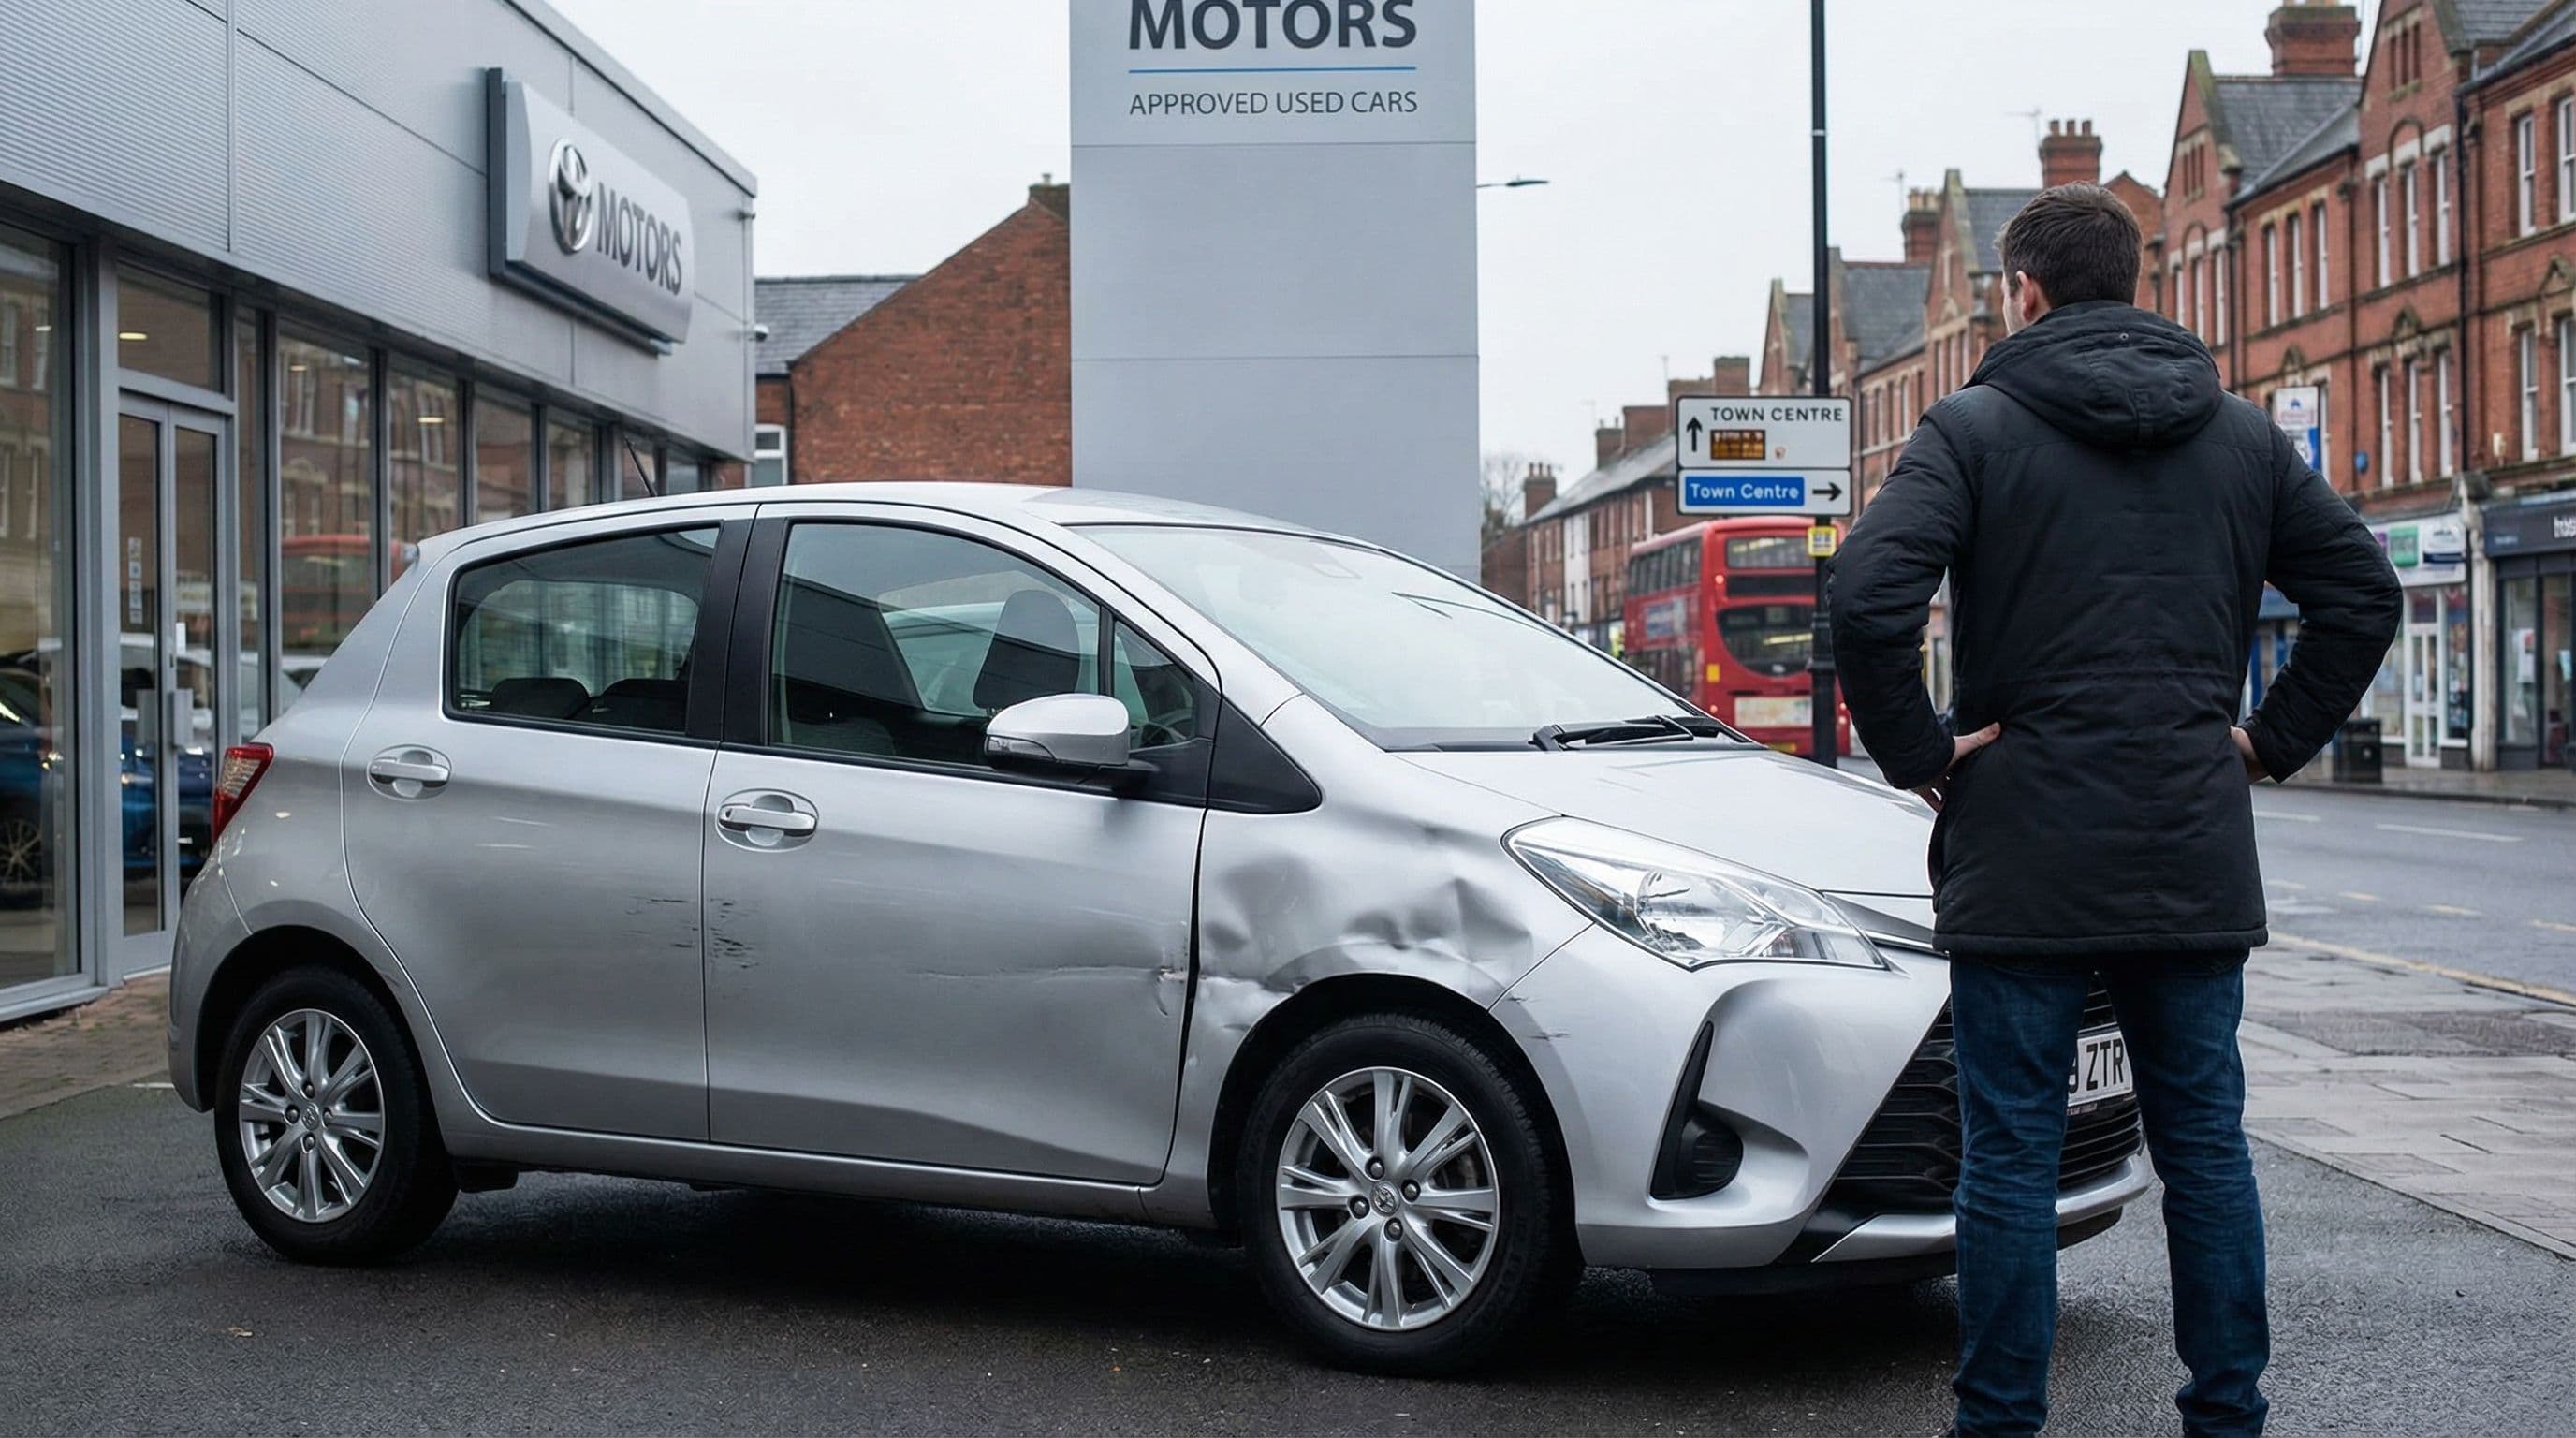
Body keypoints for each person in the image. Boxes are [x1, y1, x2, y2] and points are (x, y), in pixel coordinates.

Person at [1829, 183, 2401, 1438]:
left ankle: (2000, 1425)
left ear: (2023, 292)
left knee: (2011, 1161)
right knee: (2205, 1150)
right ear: (2137, 285)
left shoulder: (1972, 429)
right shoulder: (2244, 439)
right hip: (2192, 848)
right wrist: (2261, 742)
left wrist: (1922, 752)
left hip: (2023, 852)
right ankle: (2227, 1418)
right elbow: (2362, 593)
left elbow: (1867, 601)